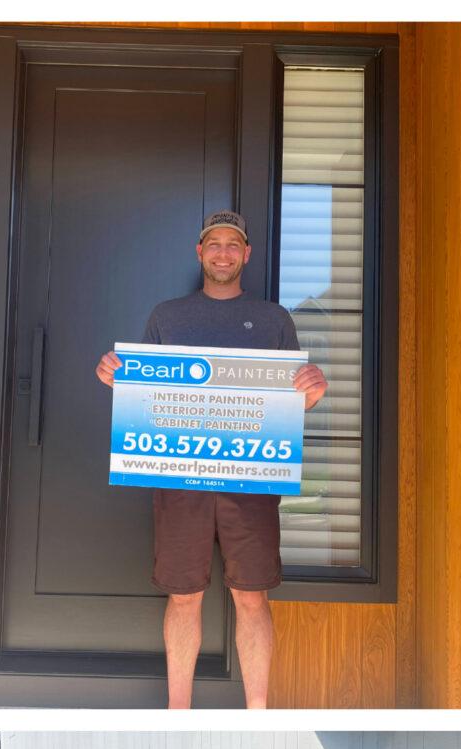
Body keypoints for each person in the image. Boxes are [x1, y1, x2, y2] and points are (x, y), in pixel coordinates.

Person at [96, 212, 329, 710]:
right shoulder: (167, 315)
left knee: (252, 596)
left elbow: (292, 402)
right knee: (183, 595)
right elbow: (149, 395)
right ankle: (177, 713)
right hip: (181, 480)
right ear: (199, 252)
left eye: (233, 244)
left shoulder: (274, 320)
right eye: (214, 243)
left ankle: (258, 714)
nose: (223, 252)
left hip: (252, 480)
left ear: (246, 255)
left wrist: (311, 393)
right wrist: (119, 377)